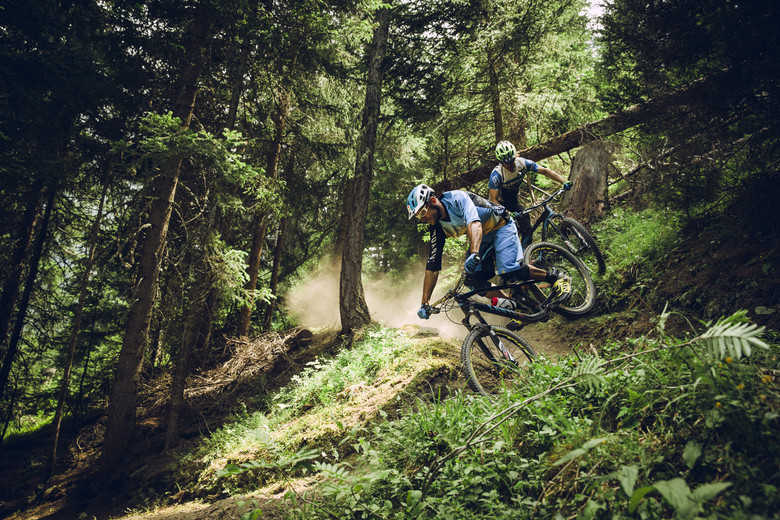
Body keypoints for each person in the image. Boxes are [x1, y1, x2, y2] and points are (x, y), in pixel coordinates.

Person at [406, 184, 570, 319]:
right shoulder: (436, 228)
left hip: (501, 225)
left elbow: (474, 223)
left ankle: (557, 278)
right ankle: (517, 305)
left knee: (509, 270)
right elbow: (433, 265)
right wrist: (424, 302)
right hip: (484, 236)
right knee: (472, 281)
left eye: (422, 212)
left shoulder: (456, 198)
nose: (422, 218)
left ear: (433, 201)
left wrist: (475, 252)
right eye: (418, 217)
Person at [489, 140, 573, 246]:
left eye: (511, 161)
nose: (510, 165)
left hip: (513, 201)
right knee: (509, 231)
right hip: (500, 205)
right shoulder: (497, 175)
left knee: (527, 227)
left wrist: (564, 181)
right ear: (501, 162)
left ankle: (527, 255)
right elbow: (493, 199)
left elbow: (545, 171)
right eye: (506, 163)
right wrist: (506, 212)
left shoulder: (523, 163)